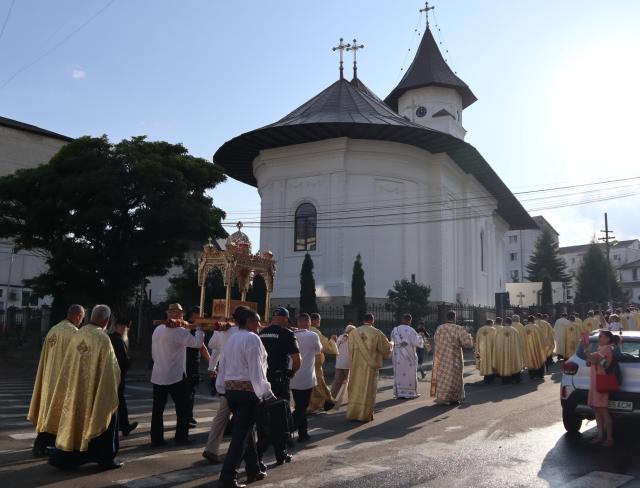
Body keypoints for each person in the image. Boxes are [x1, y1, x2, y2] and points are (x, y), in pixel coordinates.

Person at [46, 305, 122, 470]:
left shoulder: (78, 333)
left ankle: (69, 457)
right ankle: (105, 458)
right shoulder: (102, 338)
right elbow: (112, 368)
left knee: (75, 422)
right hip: (95, 391)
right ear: (106, 321)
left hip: (75, 389)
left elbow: (68, 364)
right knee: (106, 416)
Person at [216, 306, 275, 488]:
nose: (259, 324)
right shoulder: (252, 338)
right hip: (247, 393)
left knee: (247, 431)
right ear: (249, 321)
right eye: (257, 320)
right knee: (241, 435)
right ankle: (228, 476)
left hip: (231, 391)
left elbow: (222, 364)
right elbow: (256, 369)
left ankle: (253, 468)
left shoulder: (232, 338)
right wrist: (266, 392)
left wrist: (221, 387)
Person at [28, 304, 84, 457]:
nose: (81, 321)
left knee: (50, 414)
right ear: (78, 316)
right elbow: (82, 357)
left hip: (49, 380)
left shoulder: (53, 329)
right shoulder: (74, 333)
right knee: (58, 415)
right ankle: (41, 446)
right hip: (63, 382)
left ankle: (47, 446)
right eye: (81, 318)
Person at [150, 303, 204, 446]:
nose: (181, 316)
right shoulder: (179, 331)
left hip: (158, 373)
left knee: (157, 410)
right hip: (174, 376)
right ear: (178, 315)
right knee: (183, 408)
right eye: (180, 314)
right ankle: (181, 437)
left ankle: (156, 439)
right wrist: (199, 327)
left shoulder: (158, 329)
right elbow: (198, 343)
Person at [257, 307, 300, 464]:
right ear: (284, 319)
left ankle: (259, 454)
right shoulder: (287, 333)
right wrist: (291, 373)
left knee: (263, 418)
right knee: (280, 418)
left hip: (262, 381)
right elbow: (297, 359)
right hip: (279, 381)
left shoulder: (261, 333)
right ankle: (280, 453)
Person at [202, 313, 240, 464]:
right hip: (240, 383)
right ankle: (246, 452)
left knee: (222, 415)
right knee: (245, 418)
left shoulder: (225, 331)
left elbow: (212, 346)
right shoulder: (246, 334)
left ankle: (211, 449)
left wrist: (212, 366)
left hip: (225, 380)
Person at [346, 313, 393, 422]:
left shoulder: (353, 333)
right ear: (373, 321)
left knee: (356, 387)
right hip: (370, 366)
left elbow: (350, 349)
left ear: (363, 321)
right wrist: (392, 344)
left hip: (356, 366)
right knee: (367, 389)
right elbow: (386, 349)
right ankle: (364, 415)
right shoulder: (376, 332)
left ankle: (353, 413)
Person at [290, 314, 322, 442]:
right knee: (301, 407)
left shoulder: (291, 334)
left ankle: (298, 431)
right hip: (307, 377)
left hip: (293, 376)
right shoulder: (313, 335)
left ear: (298, 323)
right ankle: (297, 431)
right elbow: (318, 350)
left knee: (299, 405)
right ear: (308, 324)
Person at [430, 311, 474, 405]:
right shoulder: (458, 328)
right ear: (455, 318)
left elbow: (435, 340)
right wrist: (469, 336)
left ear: (446, 318)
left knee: (442, 376)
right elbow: (468, 343)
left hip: (441, 357)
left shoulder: (439, 328)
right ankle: (454, 397)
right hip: (454, 357)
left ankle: (442, 396)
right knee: (454, 377)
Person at [583, 330, 616, 447]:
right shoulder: (601, 349)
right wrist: (591, 356)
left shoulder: (606, 348)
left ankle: (609, 438)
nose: (599, 338)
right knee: (597, 409)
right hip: (596, 382)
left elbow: (598, 361)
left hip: (601, 383)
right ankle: (600, 435)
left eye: (601, 336)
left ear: (607, 339)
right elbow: (590, 362)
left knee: (603, 410)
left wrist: (587, 350)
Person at [109, 318, 138, 436]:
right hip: (118, 375)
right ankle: (124, 425)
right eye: (124, 327)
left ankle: (122, 425)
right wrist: (130, 361)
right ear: (117, 327)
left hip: (111, 375)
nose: (126, 330)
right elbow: (123, 361)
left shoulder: (110, 338)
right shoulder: (118, 340)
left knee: (117, 401)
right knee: (119, 401)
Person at [185, 306, 211, 428]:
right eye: (200, 314)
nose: (203, 317)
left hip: (188, 362)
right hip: (189, 363)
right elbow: (201, 346)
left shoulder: (189, 326)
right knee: (189, 392)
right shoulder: (193, 327)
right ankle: (186, 417)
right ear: (193, 315)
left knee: (188, 392)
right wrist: (211, 362)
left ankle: (186, 416)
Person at [307, 313, 338, 412]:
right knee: (319, 385)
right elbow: (326, 346)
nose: (319, 322)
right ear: (315, 321)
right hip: (314, 363)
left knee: (308, 385)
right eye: (319, 320)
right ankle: (324, 403)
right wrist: (332, 340)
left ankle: (307, 405)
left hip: (304, 363)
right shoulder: (315, 332)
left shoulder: (303, 330)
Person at [390, 313, 424, 399]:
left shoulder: (395, 330)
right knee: (409, 374)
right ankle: (410, 393)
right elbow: (418, 343)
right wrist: (421, 336)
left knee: (399, 373)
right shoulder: (411, 330)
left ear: (402, 319)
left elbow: (392, 342)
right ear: (410, 321)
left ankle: (399, 393)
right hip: (409, 358)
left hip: (398, 357)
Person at [492, 317, 524, 384]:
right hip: (513, 352)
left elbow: (496, 343)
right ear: (511, 323)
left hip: (502, 352)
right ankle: (515, 378)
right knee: (514, 363)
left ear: (504, 323)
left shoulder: (499, 331)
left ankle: (505, 379)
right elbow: (518, 343)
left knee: (504, 364)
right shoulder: (514, 331)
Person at [331, 324, 356, 399]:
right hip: (348, 364)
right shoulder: (353, 339)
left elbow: (335, 347)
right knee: (351, 383)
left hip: (339, 363)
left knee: (337, 382)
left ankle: (331, 398)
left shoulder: (341, 337)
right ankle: (352, 399)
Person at [523, 315, 546, 379]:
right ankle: (539, 374)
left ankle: (532, 375)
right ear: (533, 320)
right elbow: (542, 338)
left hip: (528, 348)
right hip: (537, 347)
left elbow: (522, 339)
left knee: (530, 360)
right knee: (539, 360)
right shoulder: (537, 327)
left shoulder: (524, 328)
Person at [475, 319, 497, 384]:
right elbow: (496, 340)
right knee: (490, 362)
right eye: (492, 323)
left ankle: (486, 377)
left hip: (482, 349)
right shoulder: (493, 329)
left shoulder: (480, 329)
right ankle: (490, 378)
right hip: (491, 349)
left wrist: (477, 349)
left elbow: (477, 340)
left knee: (484, 363)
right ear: (490, 323)